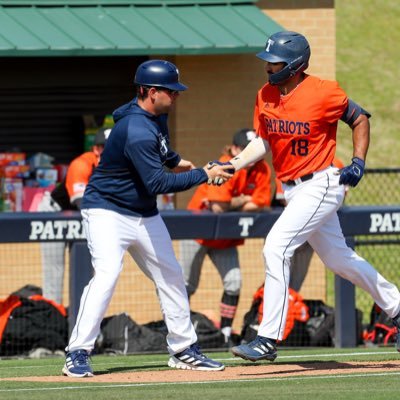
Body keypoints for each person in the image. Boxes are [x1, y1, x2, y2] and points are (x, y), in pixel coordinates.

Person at [215, 31, 400, 362]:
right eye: (268, 62)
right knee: (339, 260)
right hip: (292, 189)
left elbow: (359, 118)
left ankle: (268, 337)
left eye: (276, 63)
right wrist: (234, 164)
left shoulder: (324, 92)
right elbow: (263, 140)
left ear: (296, 65)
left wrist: (358, 161)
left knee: (276, 247)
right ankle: (398, 308)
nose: (268, 68)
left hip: (321, 182)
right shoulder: (265, 95)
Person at [62, 59, 233, 378]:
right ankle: (78, 351)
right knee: (108, 273)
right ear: (152, 92)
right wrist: (203, 174)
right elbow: (158, 183)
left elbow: (158, 148)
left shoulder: (151, 115)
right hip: (107, 210)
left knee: (170, 273)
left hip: (142, 212)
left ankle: (183, 349)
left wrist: (179, 161)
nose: (177, 95)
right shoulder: (137, 129)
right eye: (172, 91)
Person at [180, 128, 271, 346]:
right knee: (186, 285)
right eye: (244, 148)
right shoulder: (223, 164)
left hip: (225, 237)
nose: (251, 154)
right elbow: (218, 208)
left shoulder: (262, 169)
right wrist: (243, 199)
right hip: (198, 232)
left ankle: (226, 333)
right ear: (234, 149)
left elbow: (261, 203)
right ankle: (178, 333)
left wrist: (235, 200)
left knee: (234, 282)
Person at [37, 127, 109, 304]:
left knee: (84, 270)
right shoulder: (81, 164)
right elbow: (81, 202)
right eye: (107, 147)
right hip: (55, 212)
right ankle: (54, 321)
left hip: (84, 218)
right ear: (96, 149)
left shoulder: (118, 169)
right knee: (55, 270)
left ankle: (79, 319)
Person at [272, 157, 345, 292]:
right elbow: (283, 199)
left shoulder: (337, 163)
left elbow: (342, 193)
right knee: (276, 264)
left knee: (296, 281)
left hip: (317, 224)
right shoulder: (289, 161)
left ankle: (291, 305)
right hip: (290, 226)